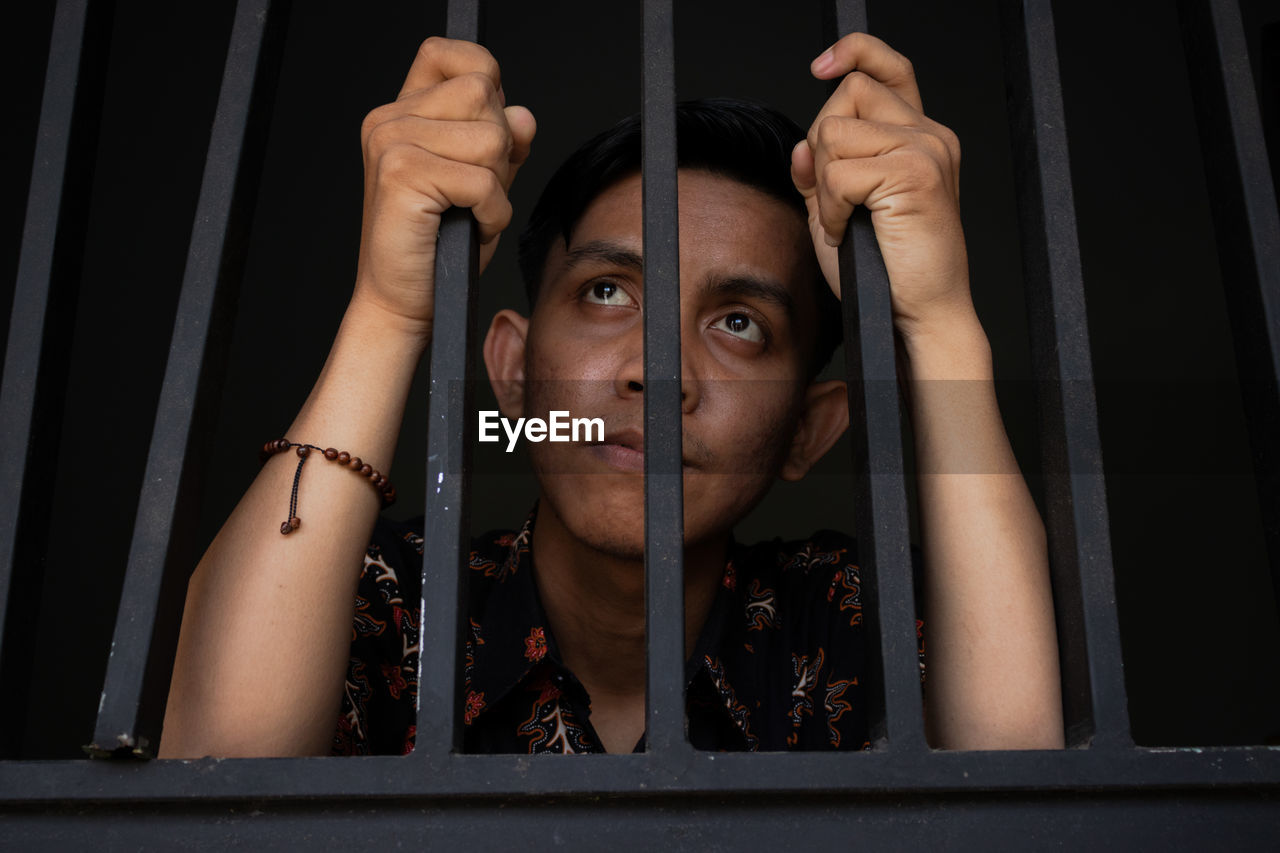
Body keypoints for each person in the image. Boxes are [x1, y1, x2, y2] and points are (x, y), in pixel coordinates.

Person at [158, 33, 1063, 758]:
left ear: (809, 429)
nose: (654, 372)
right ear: (512, 370)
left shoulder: (836, 621)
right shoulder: (397, 604)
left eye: (740, 322)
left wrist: (939, 322)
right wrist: (390, 312)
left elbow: (1021, 771)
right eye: (607, 292)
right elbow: (218, 763)